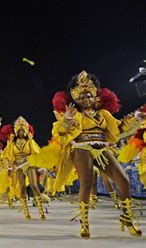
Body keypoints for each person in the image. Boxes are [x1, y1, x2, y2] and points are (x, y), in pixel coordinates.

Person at [43, 71, 142, 238]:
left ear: (95, 96)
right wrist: (66, 119)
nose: (85, 99)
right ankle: (84, 223)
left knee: (123, 180)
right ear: (74, 99)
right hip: (81, 147)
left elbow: (119, 127)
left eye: (88, 95)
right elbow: (58, 131)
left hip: (102, 147)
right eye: (81, 96)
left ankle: (127, 218)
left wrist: (136, 117)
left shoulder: (103, 114)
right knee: (87, 183)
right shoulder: (73, 114)